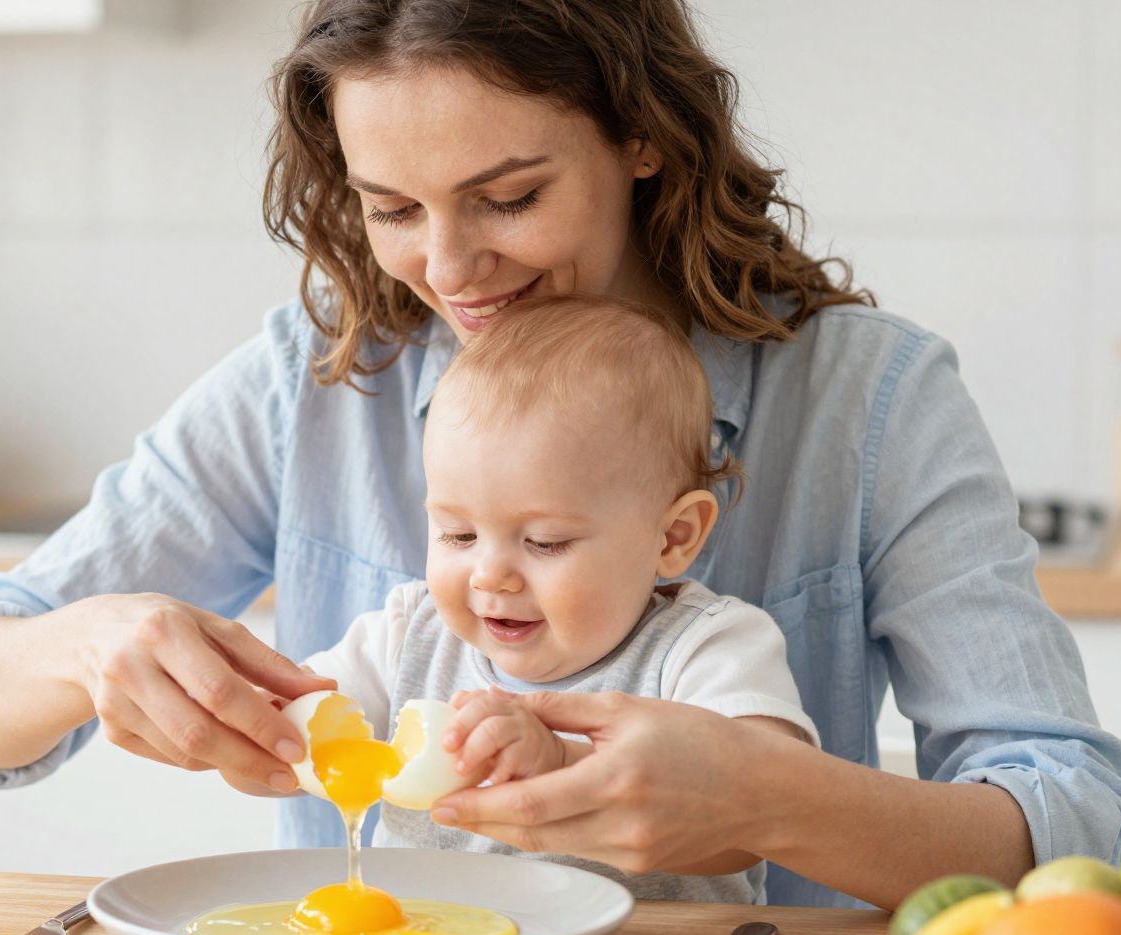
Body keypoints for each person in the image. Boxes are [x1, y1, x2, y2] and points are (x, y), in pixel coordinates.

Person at [0, 0, 1121, 910]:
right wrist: (90, 647)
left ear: (641, 137)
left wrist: (763, 800)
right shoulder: (321, 377)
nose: (446, 269)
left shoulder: (865, 398)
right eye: (391, 209)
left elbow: (1073, 824)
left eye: (505, 198)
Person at [303, 293, 816, 904]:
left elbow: (762, 812)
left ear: (674, 537)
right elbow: (302, 707)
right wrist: (255, 711)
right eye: (458, 534)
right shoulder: (405, 635)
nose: (490, 575)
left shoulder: (708, 648)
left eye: (545, 542)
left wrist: (562, 764)